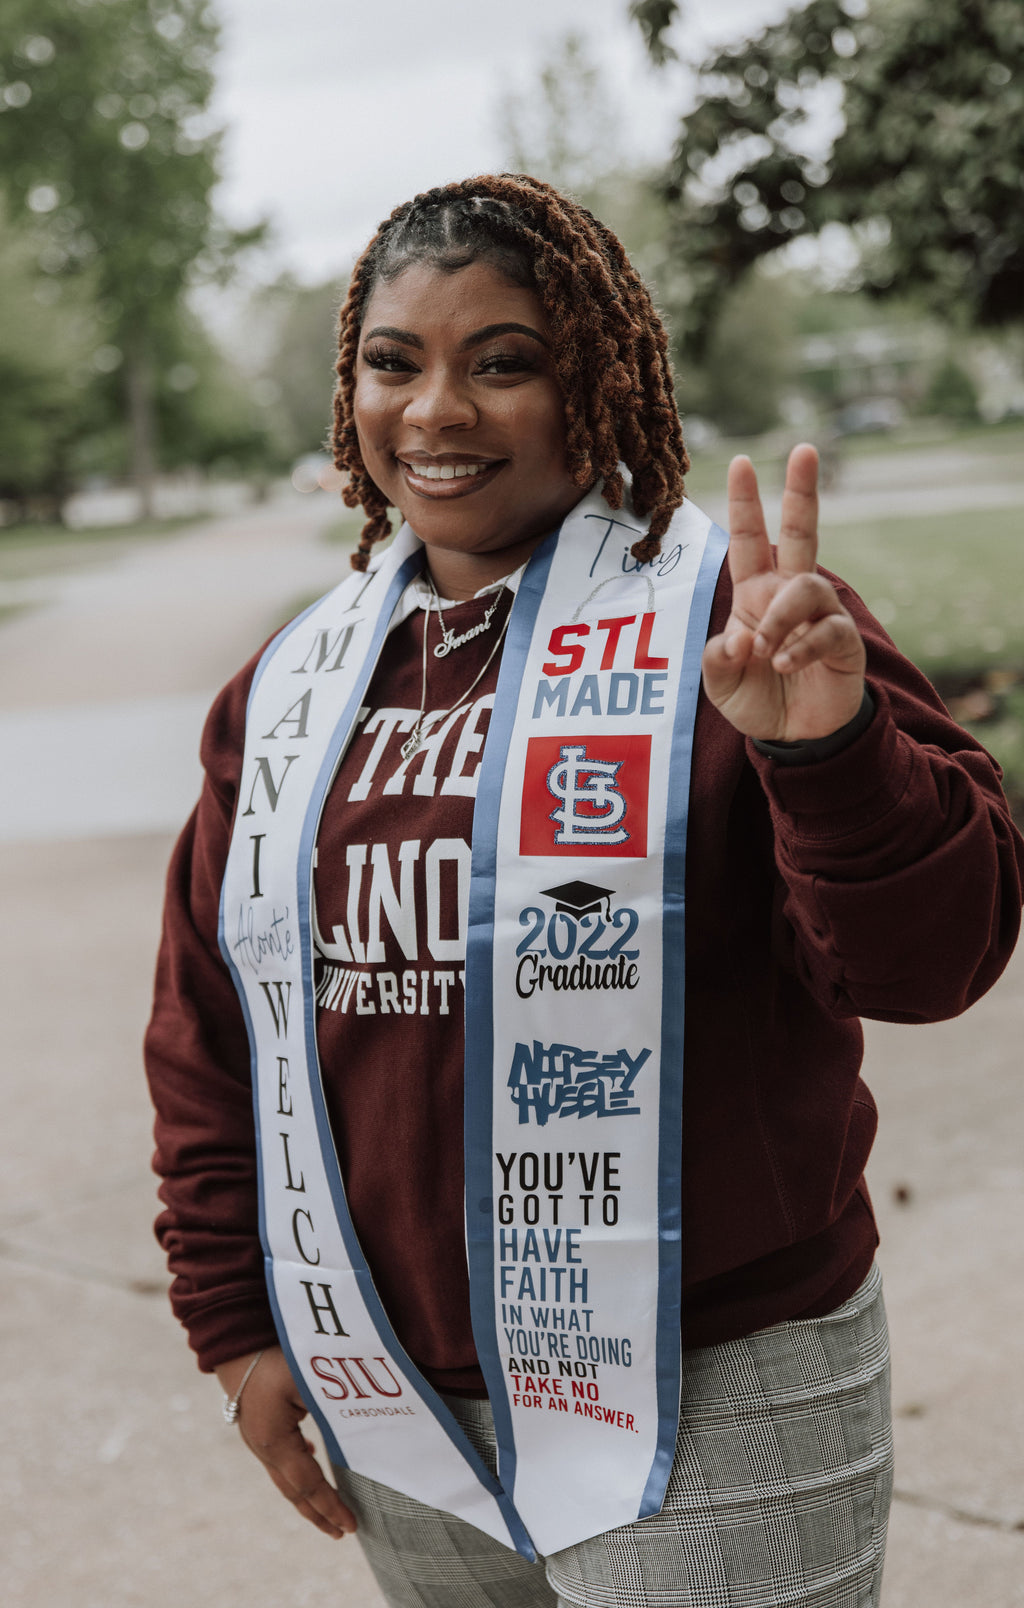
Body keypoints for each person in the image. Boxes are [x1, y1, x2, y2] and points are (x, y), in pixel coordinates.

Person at [144, 174, 1024, 1608]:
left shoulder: (727, 623)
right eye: (393, 362)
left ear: (594, 383)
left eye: (504, 362)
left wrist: (834, 758)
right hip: (406, 1415)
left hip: (706, 1400)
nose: (435, 411)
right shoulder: (295, 689)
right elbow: (211, 1027)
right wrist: (236, 1322)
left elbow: (937, 963)